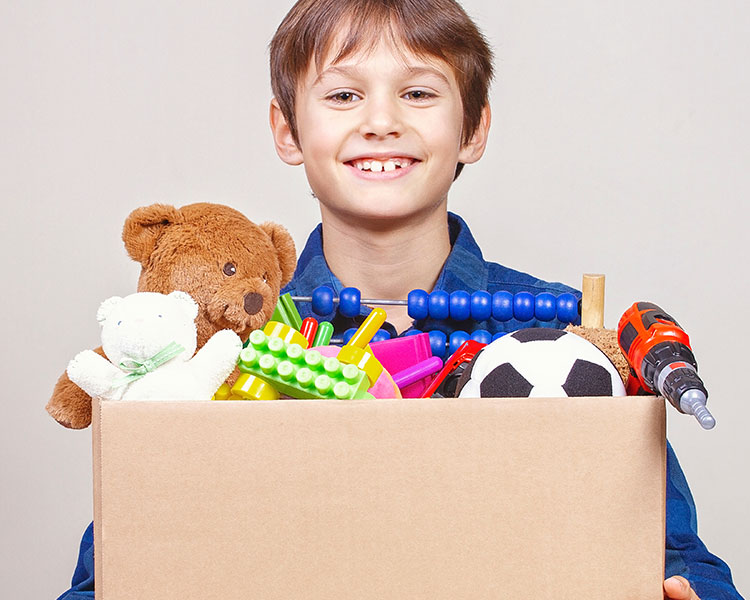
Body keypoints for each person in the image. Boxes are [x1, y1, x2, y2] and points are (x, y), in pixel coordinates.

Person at [57, 1, 744, 598]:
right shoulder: (221, 342)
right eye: (343, 95)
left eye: (418, 93)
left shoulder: (566, 339)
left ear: (473, 128)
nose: (380, 121)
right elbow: (113, 570)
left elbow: (679, 556)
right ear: (287, 131)